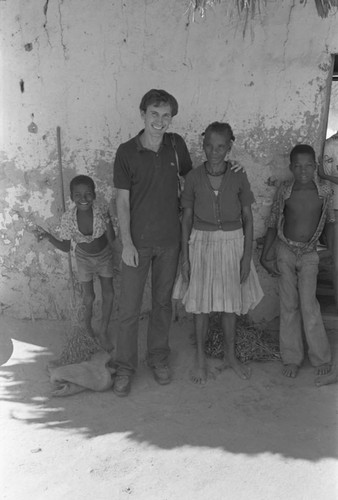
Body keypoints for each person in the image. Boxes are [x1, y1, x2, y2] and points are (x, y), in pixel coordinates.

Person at [112, 89, 193, 397]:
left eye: (166, 115)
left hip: (169, 242)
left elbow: (193, 180)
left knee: (162, 305)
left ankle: (158, 358)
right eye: (154, 114)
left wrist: (228, 167)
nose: (160, 121)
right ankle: (124, 368)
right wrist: (127, 244)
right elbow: (122, 201)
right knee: (129, 309)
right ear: (143, 114)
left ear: (171, 118)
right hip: (138, 244)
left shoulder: (176, 146)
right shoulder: (127, 152)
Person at [173, 121, 264, 384]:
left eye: (221, 146)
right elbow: (186, 218)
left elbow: (248, 218)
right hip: (201, 242)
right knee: (200, 306)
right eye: (209, 146)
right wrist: (185, 257)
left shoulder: (238, 175)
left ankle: (230, 356)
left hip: (233, 244)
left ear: (229, 147)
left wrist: (246, 256)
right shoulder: (193, 178)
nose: (215, 151)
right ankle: (200, 358)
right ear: (203, 146)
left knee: (229, 305)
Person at [260, 144, 335, 384]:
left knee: (309, 305)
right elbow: (273, 221)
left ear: (316, 166)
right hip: (285, 251)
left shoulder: (325, 191)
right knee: (288, 305)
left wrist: (334, 252)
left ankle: (321, 358)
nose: (303, 170)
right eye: (298, 166)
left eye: (309, 165)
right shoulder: (285, 190)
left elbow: (331, 224)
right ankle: (291, 358)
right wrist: (266, 253)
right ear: (291, 167)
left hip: (310, 254)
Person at [36, 175, 116, 350]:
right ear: (71, 197)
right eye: (78, 195)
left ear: (94, 195)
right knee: (88, 298)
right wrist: (48, 236)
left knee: (109, 294)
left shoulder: (101, 210)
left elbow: (111, 239)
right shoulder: (68, 218)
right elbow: (66, 247)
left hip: (104, 256)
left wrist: (108, 221)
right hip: (83, 259)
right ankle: (87, 331)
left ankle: (103, 331)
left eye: (88, 194)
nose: (83, 199)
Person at [317, 131, 338, 311]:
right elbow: (320, 174)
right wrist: (323, 175)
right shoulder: (329, 146)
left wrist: (325, 175)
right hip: (334, 208)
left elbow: (323, 174)